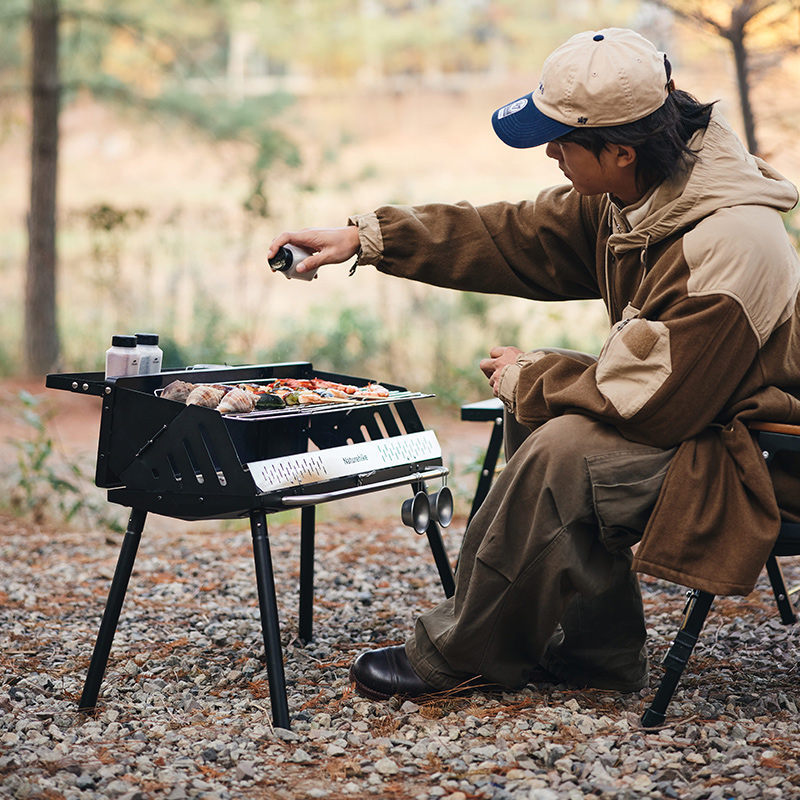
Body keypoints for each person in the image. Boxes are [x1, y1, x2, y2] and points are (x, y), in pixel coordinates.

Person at [268, 28, 800, 701]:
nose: (549, 153)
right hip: (701, 414)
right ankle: (596, 656)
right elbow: (512, 233)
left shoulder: (727, 239)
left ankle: (465, 656)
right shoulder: (644, 191)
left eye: (561, 141)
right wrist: (367, 237)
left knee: (564, 451)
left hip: (760, 453)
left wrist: (534, 373)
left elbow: (665, 405)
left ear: (620, 149)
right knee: (550, 415)